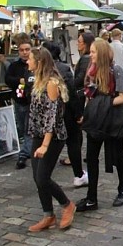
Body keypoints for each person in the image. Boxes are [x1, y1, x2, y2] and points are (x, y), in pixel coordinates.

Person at [76, 38, 123, 212]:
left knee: (118, 156)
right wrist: (88, 112)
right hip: (96, 120)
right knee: (91, 157)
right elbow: (89, 96)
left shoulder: (116, 70)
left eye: (93, 52)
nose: (90, 55)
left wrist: (104, 103)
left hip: (113, 120)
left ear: (101, 53)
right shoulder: (91, 71)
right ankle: (92, 197)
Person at [25, 47, 76, 232]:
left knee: (43, 177)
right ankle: (48, 215)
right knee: (37, 178)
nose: (27, 61)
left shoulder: (51, 83)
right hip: (38, 134)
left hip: (52, 137)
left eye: (30, 59)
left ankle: (67, 204)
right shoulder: (38, 80)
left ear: (39, 62)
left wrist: (45, 144)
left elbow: (51, 115)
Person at [43, 41, 87, 188]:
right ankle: (78, 175)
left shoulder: (41, 69)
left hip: (47, 114)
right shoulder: (63, 69)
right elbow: (71, 93)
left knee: (49, 144)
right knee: (73, 143)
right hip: (65, 111)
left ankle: (43, 175)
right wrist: (78, 113)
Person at [5, 33, 35, 170]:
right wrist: (19, 81)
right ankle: (28, 149)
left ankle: (23, 155)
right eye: (22, 50)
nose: (25, 53)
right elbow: (8, 79)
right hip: (19, 99)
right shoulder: (14, 66)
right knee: (22, 127)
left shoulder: (35, 64)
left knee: (29, 129)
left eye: (27, 50)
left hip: (32, 102)